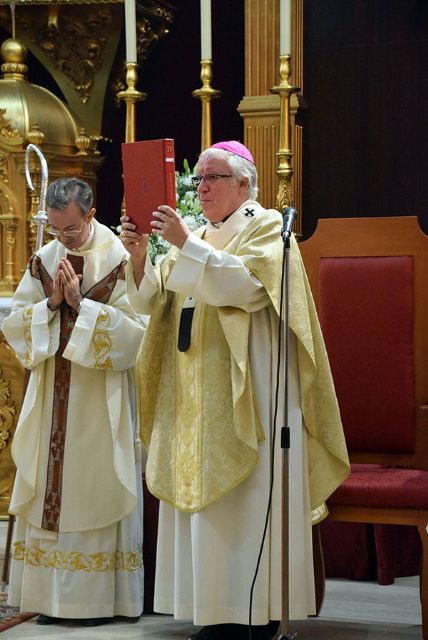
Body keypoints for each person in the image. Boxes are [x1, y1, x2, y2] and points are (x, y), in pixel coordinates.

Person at [120, 141, 350, 640]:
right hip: (193, 392)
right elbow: (149, 299)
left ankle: (258, 612)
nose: (200, 187)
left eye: (212, 178)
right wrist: (140, 258)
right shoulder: (198, 233)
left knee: (245, 500)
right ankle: (213, 612)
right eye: (197, 179)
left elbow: (246, 289)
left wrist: (184, 244)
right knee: (204, 506)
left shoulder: (267, 226)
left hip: (250, 392)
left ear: (243, 184)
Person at [1, 177, 146, 626]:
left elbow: (136, 331)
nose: (61, 240)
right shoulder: (45, 258)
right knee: (47, 481)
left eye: (70, 231)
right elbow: (16, 324)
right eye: (56, 231)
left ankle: (96, 601)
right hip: (51, 399)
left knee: (94, 483)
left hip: (97, 398)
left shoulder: (119, 258)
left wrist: (83, 306)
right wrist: (50, 304)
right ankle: (47, 598)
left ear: (90, 215)